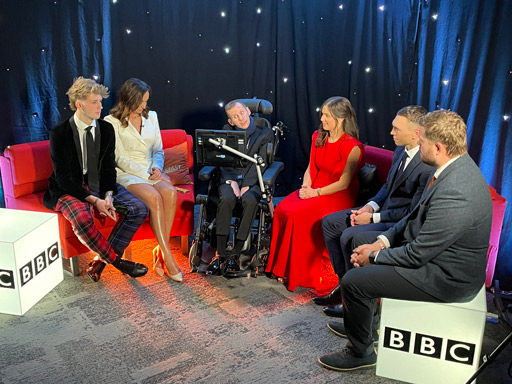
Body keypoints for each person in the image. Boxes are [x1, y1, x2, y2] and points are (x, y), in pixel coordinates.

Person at [317, 109, 492, 371]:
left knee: (354, 281)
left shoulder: (457, 190)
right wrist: (381, 243)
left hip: (446, 277)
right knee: (360, 259)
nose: (418, 146)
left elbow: (418, 254)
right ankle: (366, 330)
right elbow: (413, 218)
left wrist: (373, 256)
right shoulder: (451, 169)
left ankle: (360, 352)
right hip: (432, 259)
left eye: (422, 142)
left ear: (439, 147)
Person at [316, 105, 433, 317]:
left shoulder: (427, 166)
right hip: (381, 212)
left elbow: (412, 212)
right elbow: (387, 187)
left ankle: (355, 299)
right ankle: (344, 285)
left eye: (396, 129)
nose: (391, 133)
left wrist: (373, 217)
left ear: (416, 132)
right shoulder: (401, 150)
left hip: (397, 222)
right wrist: (368, 207)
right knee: (330, 223)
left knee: (352, 236)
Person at [43, 77, 149, 282]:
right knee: (82, 219)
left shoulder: (106, 129)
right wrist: (94, 200)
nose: (101, 106)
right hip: (69, 187)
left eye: (101, 101)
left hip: (99, 183)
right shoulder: (60, 133)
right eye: (95, 102)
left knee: (139, 208)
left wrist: (108, 195)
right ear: (79, 104)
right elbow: (63, 178)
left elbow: (108, 167)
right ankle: (119, 263)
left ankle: (100, 262)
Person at [265, 96, 364, 292]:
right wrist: (305, 188)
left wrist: (315, 193)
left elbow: (344, 183)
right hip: (315, 187)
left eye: (327, 115)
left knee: (297, 215)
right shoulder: (318, 136)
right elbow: (310, 167)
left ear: (341, 118)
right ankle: (282, 267)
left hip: (337, 193)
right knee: (283, 208)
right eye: (322, 114)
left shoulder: (352, 146)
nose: (322, 119)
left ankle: (300, 273)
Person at [104, 78, 183, 282]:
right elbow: (119, 158)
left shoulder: (152, 117)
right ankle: (168, 256)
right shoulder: (111, 122)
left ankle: (160, 251)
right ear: (128, 99)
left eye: (146, 101)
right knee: (155, 198)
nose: (144, 106)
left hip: (151, 169)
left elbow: (158, 149)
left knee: (170, 192)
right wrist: (148, 173)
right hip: (128, 173)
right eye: (141, 102)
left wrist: (157, 167)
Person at [207, 100, 273, 276]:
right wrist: (232, 180)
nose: (240, 118)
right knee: (227, 198)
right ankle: (221, 253)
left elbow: (263, 163)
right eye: (235, 117)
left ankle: (236, 253)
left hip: (253, 179)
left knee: (250, 199)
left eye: (242, 113)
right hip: (230, 178)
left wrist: (248, 184)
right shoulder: (226, 132)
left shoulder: (264, 133)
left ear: (248, 111)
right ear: (231, 121)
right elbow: (222, 160)